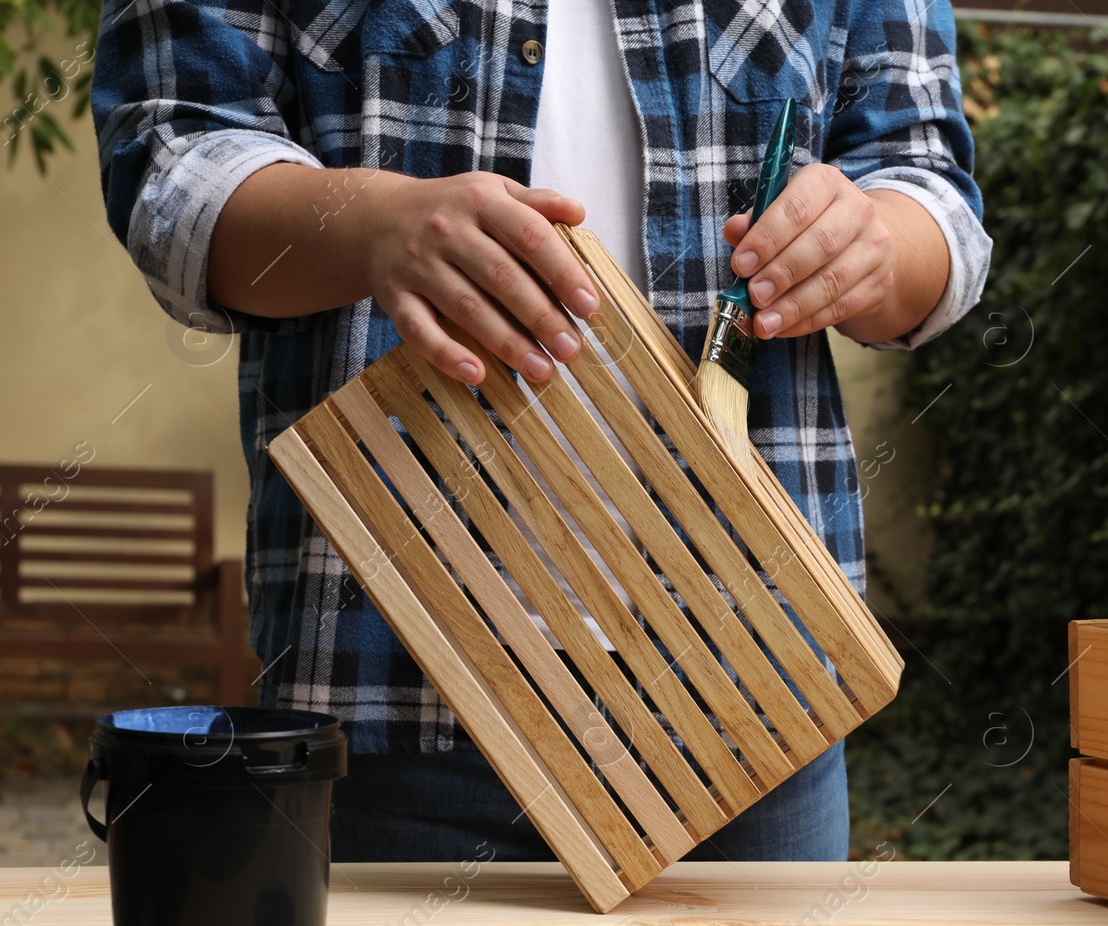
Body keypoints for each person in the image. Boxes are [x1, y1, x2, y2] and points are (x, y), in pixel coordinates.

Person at [92, 0, 990, 863]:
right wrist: (374, 224)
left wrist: (875, 242)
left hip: (754, 684)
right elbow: (169, 160)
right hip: (398, 689)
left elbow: (929, 185)